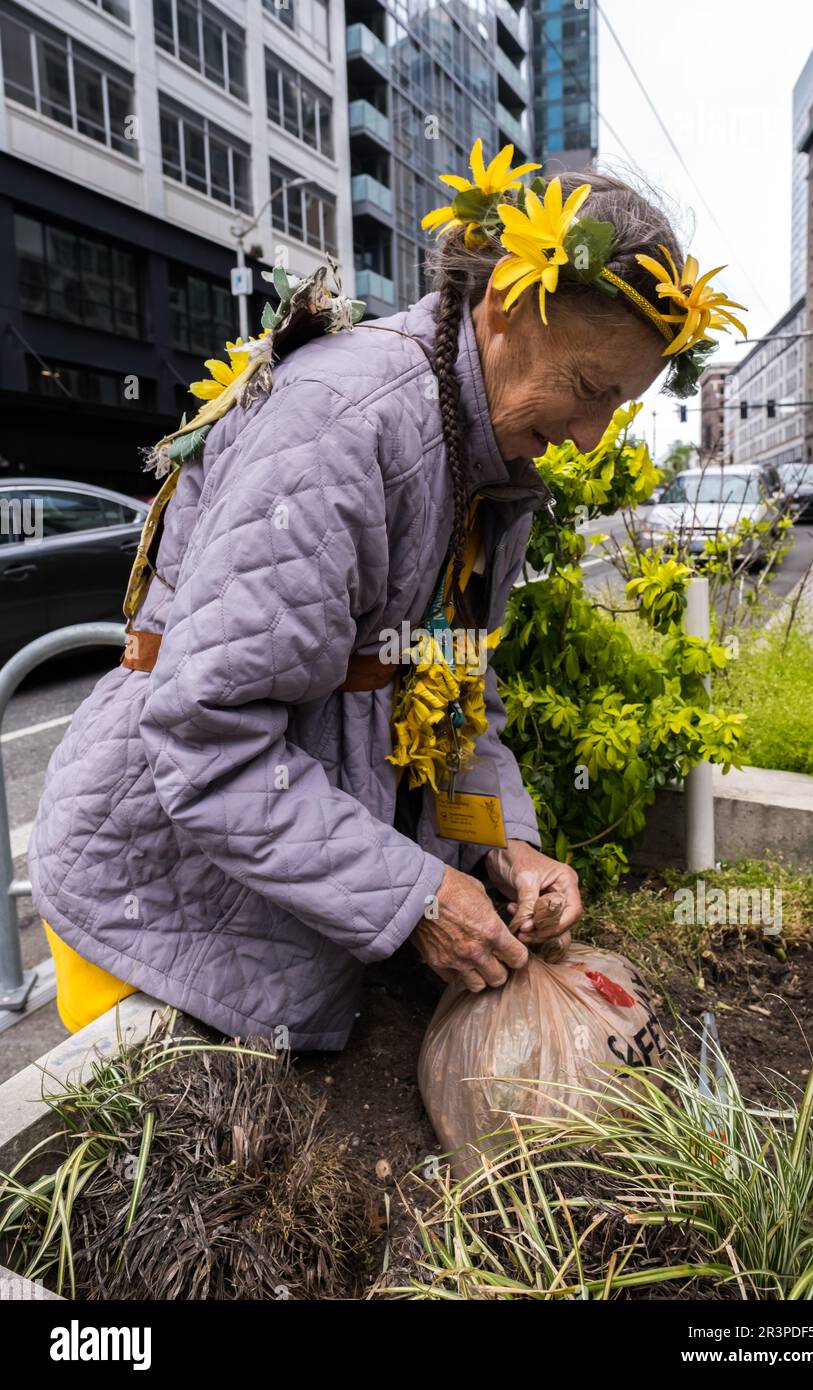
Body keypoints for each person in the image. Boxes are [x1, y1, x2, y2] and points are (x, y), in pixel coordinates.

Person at [30, 142, 745, 1044]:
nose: (588, 437)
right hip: (160, 905)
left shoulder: (487, 465)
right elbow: (206, 734)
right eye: (588, 389)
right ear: (506, 307)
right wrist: (413, 896)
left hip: (276, 899)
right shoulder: (343, 427)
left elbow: (449, 693)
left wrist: (506, 846)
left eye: (619, 406)